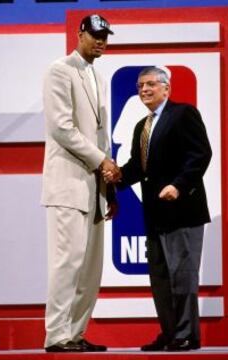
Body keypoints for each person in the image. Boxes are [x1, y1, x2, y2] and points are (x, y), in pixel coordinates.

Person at [104, 66, 212, 351]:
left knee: (183, 275)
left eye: (151, 84)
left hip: (183, 211)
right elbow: (140, 169)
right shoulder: (142, 126)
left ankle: (187, 335)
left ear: (167, 88)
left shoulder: (184, 114)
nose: (144, 90)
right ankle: (170, 333)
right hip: (155, 215)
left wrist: (178, 185)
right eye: (140, 86)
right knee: (161, 279)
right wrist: (118, 177)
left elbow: (201, 154)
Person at [41, 14, 119, 353]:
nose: (100, 41)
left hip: (96, 189)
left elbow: (102, 136)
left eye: (105, 36)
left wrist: (110, 187)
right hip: (68, 183)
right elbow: (61, 127)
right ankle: (57, 335)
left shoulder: (99, 77)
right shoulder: (60, 70)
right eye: (95, 34)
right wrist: (101, 160)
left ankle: (75, 333)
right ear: (80, 34)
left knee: (90, 269)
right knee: (67, 263)